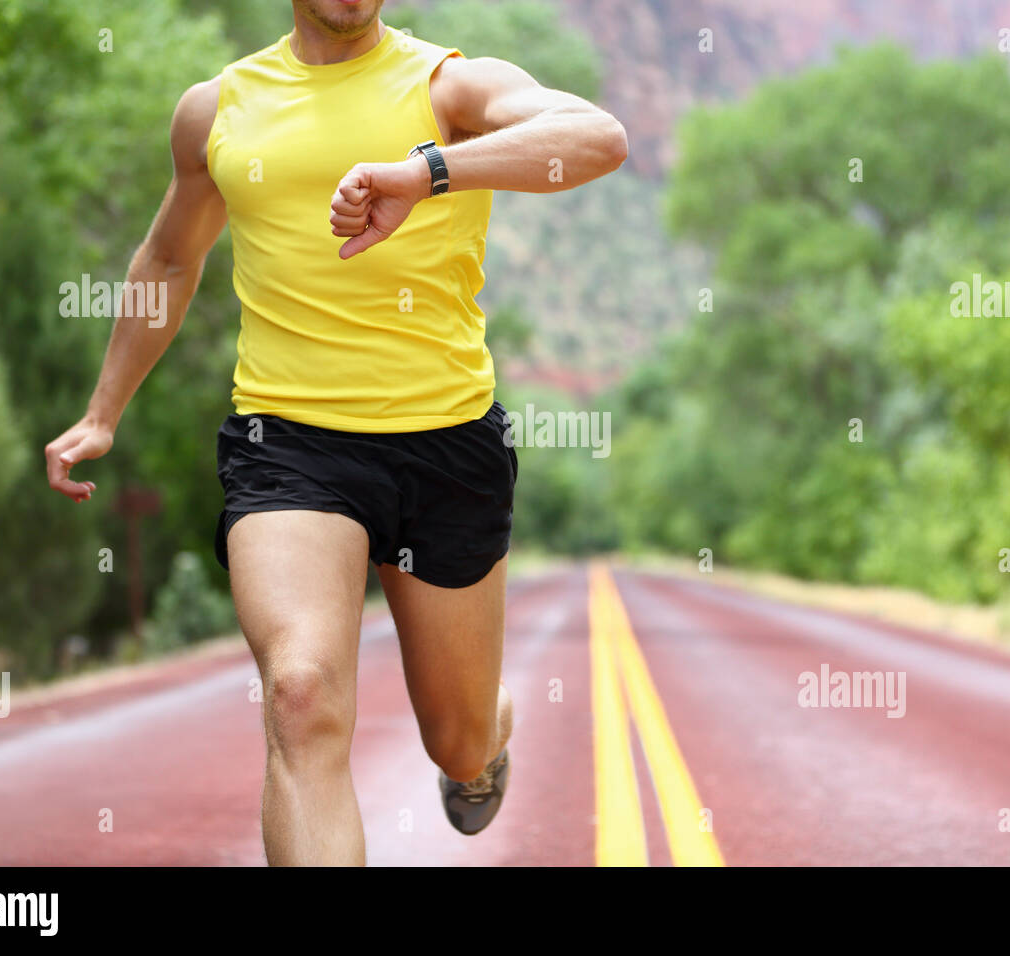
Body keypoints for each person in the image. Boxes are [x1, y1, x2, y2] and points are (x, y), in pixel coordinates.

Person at [43, 0, 627, 865]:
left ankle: (486, 733)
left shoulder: (449, 84)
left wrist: (428, 172)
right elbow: (170, 256)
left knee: (457, 742)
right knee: (301, 693)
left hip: (447, 442)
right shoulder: (219, 108)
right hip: (290, 447)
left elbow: (597, 139)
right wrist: (103, 409)